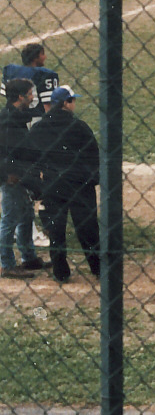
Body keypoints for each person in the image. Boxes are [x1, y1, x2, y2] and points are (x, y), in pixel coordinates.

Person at [16, 86, 99, 283]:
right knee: (87, 229)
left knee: (56, 231)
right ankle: (98, 268)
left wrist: (36, 186)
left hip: (53, 185)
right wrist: (93, 180)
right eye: (72, 100)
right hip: (80, 184)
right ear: (66, 103)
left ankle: (61, 272)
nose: (74, 104)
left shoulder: (39, 128)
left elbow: (28, 158)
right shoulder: (79, 126)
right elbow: (93, 156)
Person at [0, 80, 42, 278]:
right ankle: (7, 264)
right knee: (10, 219)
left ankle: (29, 258)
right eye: (30, 93)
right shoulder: (6, 120)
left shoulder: (15, 116)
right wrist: (4, 175)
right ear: (20, 97)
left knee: (26, 215)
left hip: (22, 175)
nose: (32, 97)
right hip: (12, 178)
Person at [3, 43, 59, 127]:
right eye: (42, 54)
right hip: (36, 120)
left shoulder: (11, 71)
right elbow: (48, 105)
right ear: (35, 58)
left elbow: (7, 96)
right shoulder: (45, 74)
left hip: (14, 119)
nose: (45, 57)